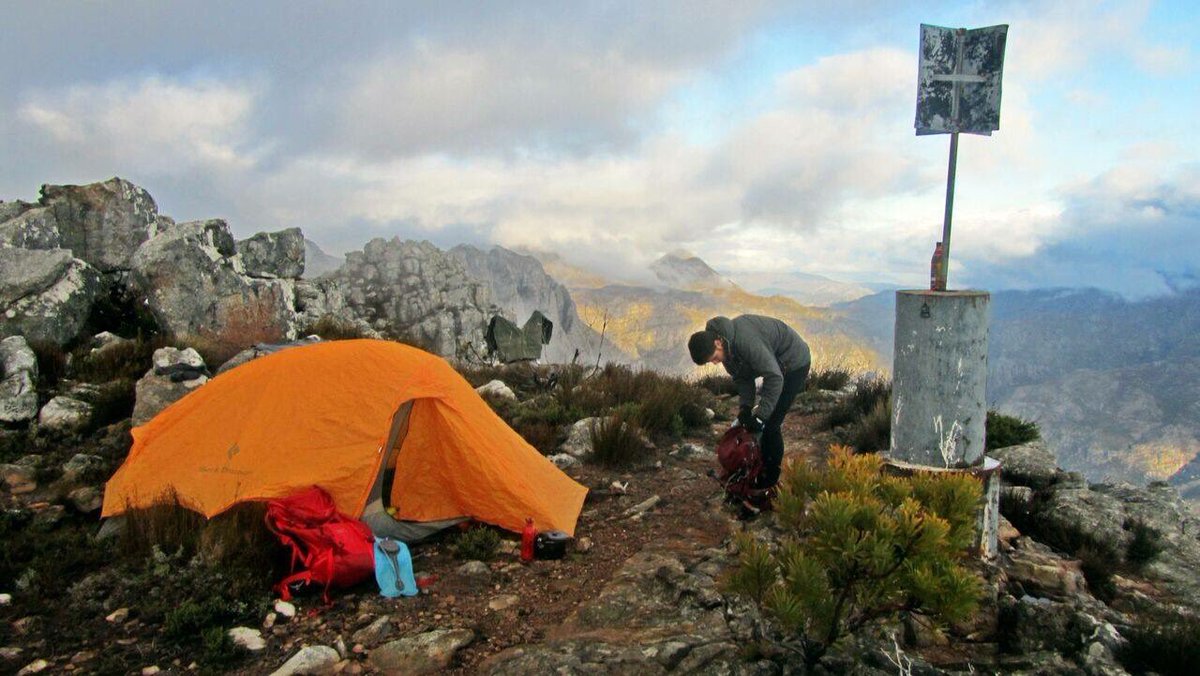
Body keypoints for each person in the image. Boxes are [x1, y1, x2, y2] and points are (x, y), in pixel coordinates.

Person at [688, 315, 811, 497]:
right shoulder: (727, 349)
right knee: (756, 423)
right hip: (777, 366)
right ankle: (756, 469)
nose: (715, 363)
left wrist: (761, 415)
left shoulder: (746, 342)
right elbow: (742, 378)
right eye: (711, 361)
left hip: (794, 363)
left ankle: (769, 482)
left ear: (718, 343)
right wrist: (745, 408)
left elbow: (775, 378)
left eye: (714, 358)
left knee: (770, 424)